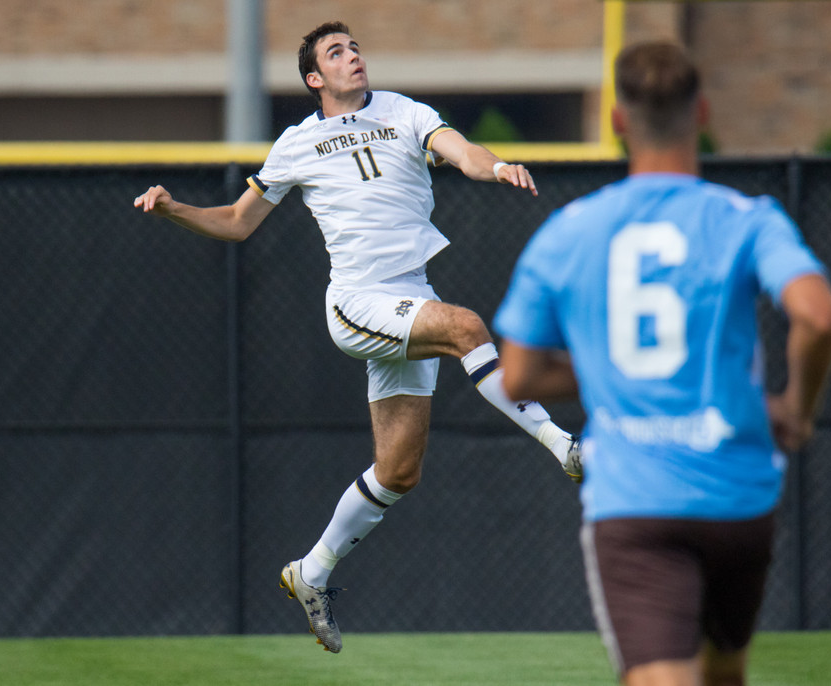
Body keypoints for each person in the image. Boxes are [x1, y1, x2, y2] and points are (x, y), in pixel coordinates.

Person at [134, 21, 581, 654]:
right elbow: (237, 222)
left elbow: (464, 152)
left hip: (409, 294)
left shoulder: (404, 113)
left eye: (355, 48)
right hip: (356, 302)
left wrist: (498, 165)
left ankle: (311, 572)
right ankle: (565, 446)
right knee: (467, 327)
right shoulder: (297, 143)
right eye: (336, 53)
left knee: (399, 472)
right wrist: (174, 207)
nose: (353, 58)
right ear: (315, 78)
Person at [494, 41, 831, 686]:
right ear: (703, 111)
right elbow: (818, 316)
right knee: (723, 673)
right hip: (739, 493)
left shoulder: (570, 229)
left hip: (636, 499)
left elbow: (518, 375)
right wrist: (797, 408)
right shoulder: (747, 218)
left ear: (619, 121)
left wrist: (610, 373)